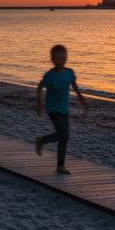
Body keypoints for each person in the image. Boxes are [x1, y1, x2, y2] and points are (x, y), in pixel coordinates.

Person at [35, 44, 88, 174]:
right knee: (63, 134)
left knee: (64, 137)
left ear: (66, 58)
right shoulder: (49, 75)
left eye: (63, 58)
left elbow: (74, 85)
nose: (61, 61)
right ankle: (43, 142)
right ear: (52, 59)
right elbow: (39, 88)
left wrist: (82, 99)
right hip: (52, 108)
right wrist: (39, 105)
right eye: (57, 58)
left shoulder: (69, 72)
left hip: (65, 108)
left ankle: (59, 165)